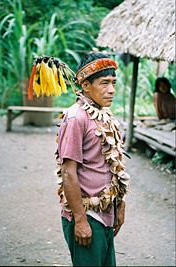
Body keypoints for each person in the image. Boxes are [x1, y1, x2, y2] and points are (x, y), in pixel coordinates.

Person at [55, 52, 130, 267]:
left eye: (114, 83)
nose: (112, 90)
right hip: (87, 216)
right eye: (104, 83)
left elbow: (113, 166)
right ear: (86, 85)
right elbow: (68, 172)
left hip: (107, 213)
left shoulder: (104, 115)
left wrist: (119, 204)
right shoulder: (76, 117)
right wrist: (80, 220)